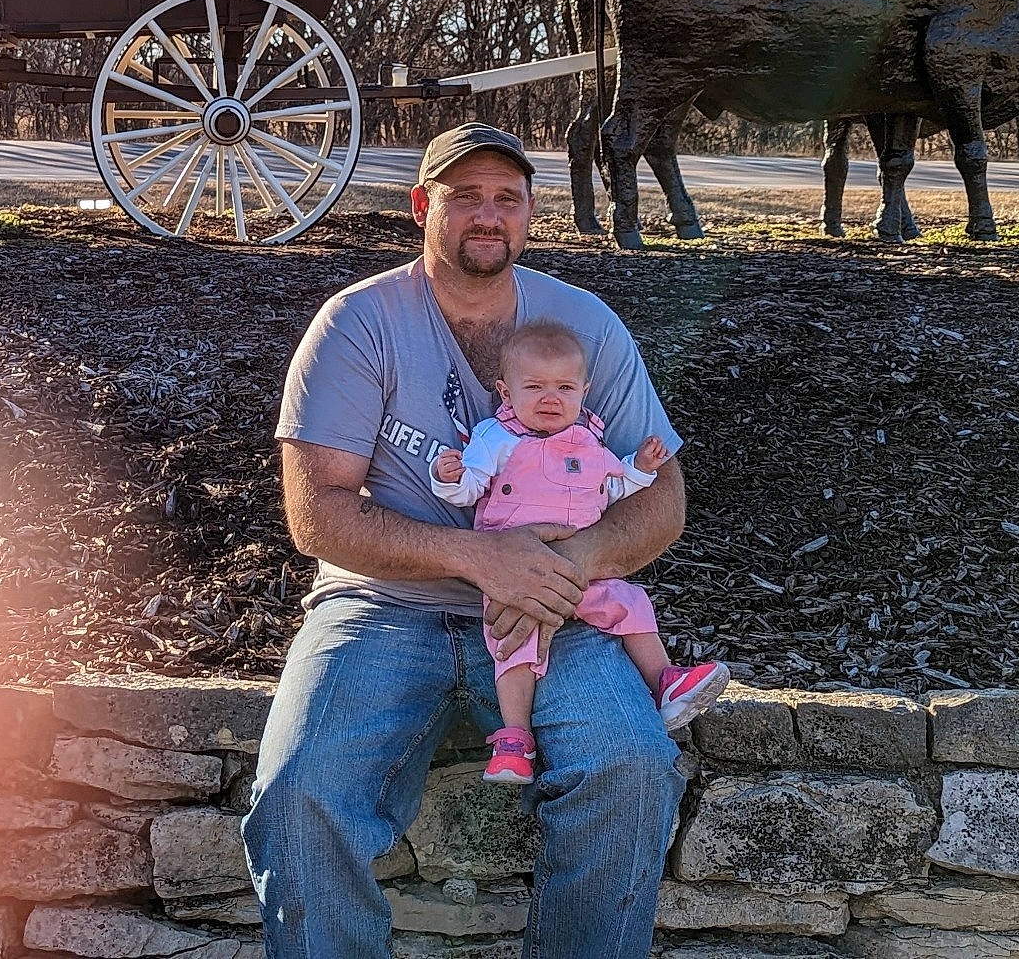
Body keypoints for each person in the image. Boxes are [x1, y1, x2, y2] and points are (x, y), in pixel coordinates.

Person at [243, 122, 693, 959]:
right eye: (464, 196)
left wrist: (570, 564)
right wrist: (478, 556)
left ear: (529, 215)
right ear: (423, 207)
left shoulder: (583, 325)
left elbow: (660, 492)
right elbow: (318, 517)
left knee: (631, 768)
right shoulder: (357, 323)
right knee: (301, 793)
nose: (487, 215)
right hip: (381, 608)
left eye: (507, 199)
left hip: (556, 615)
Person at [430, 318, 729, 784]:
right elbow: (471, 487)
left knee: (629, 604)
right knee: (515, 644)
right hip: (515, 569)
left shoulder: (588, 440)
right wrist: (448, 477)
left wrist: (642, 468)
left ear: (584, 391)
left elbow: (614, 487)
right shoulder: (496, 437)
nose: (551, 399)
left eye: (565, 388)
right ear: (506, 393)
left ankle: (665, 680)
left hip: (583, 570)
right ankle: (514, 738)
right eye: (535, 387)